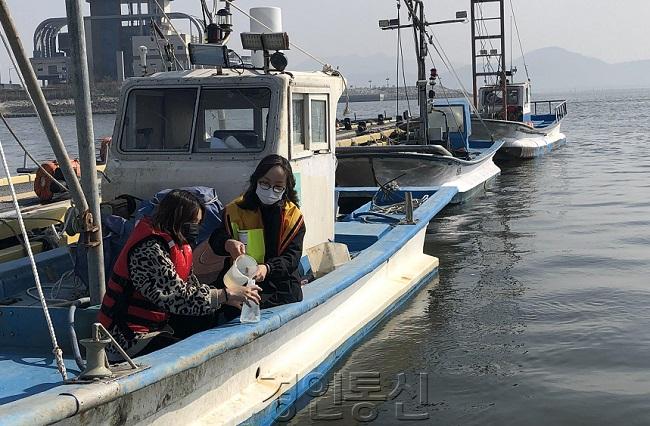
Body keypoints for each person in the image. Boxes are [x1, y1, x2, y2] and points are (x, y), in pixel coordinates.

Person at [98, 189, 261, 360]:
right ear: (176, 218)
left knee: (207, 317)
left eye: (198, 223)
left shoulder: (178, 247)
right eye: (191, 222)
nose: (195, 229)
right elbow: (175, 296)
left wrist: (225, 300)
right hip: (125, 338)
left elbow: (191, 289)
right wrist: (225, 294)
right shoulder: (150, 249)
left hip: (155, 327)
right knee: (195, 354)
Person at [209, 154, 305, 309]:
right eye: (265, 183)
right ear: (256, 181)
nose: (270, 190)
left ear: (286, 188)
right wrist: (227, 243)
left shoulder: (293, 217)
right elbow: (216, 238)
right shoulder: (235, 210)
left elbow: (292, 257)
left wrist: (268, 268)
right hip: (240, 281)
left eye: (278, 186)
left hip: (280, 287)